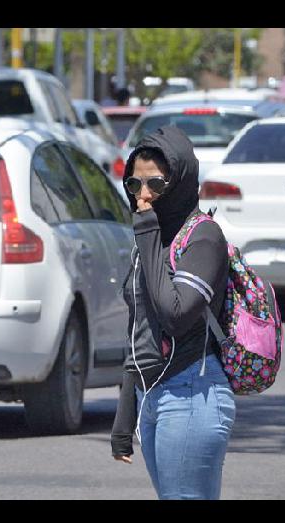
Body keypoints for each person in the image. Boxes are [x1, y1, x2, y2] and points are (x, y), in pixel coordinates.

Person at [110, 126, 236, 500]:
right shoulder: (154, 237)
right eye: (134, 185)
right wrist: (124, 418)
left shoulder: (203, 238)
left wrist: (147, 234)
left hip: (191, 391)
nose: (144, 197)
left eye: (156, 186)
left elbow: (175, 314)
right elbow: (140, 332)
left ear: (179, 183)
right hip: (155, 395)